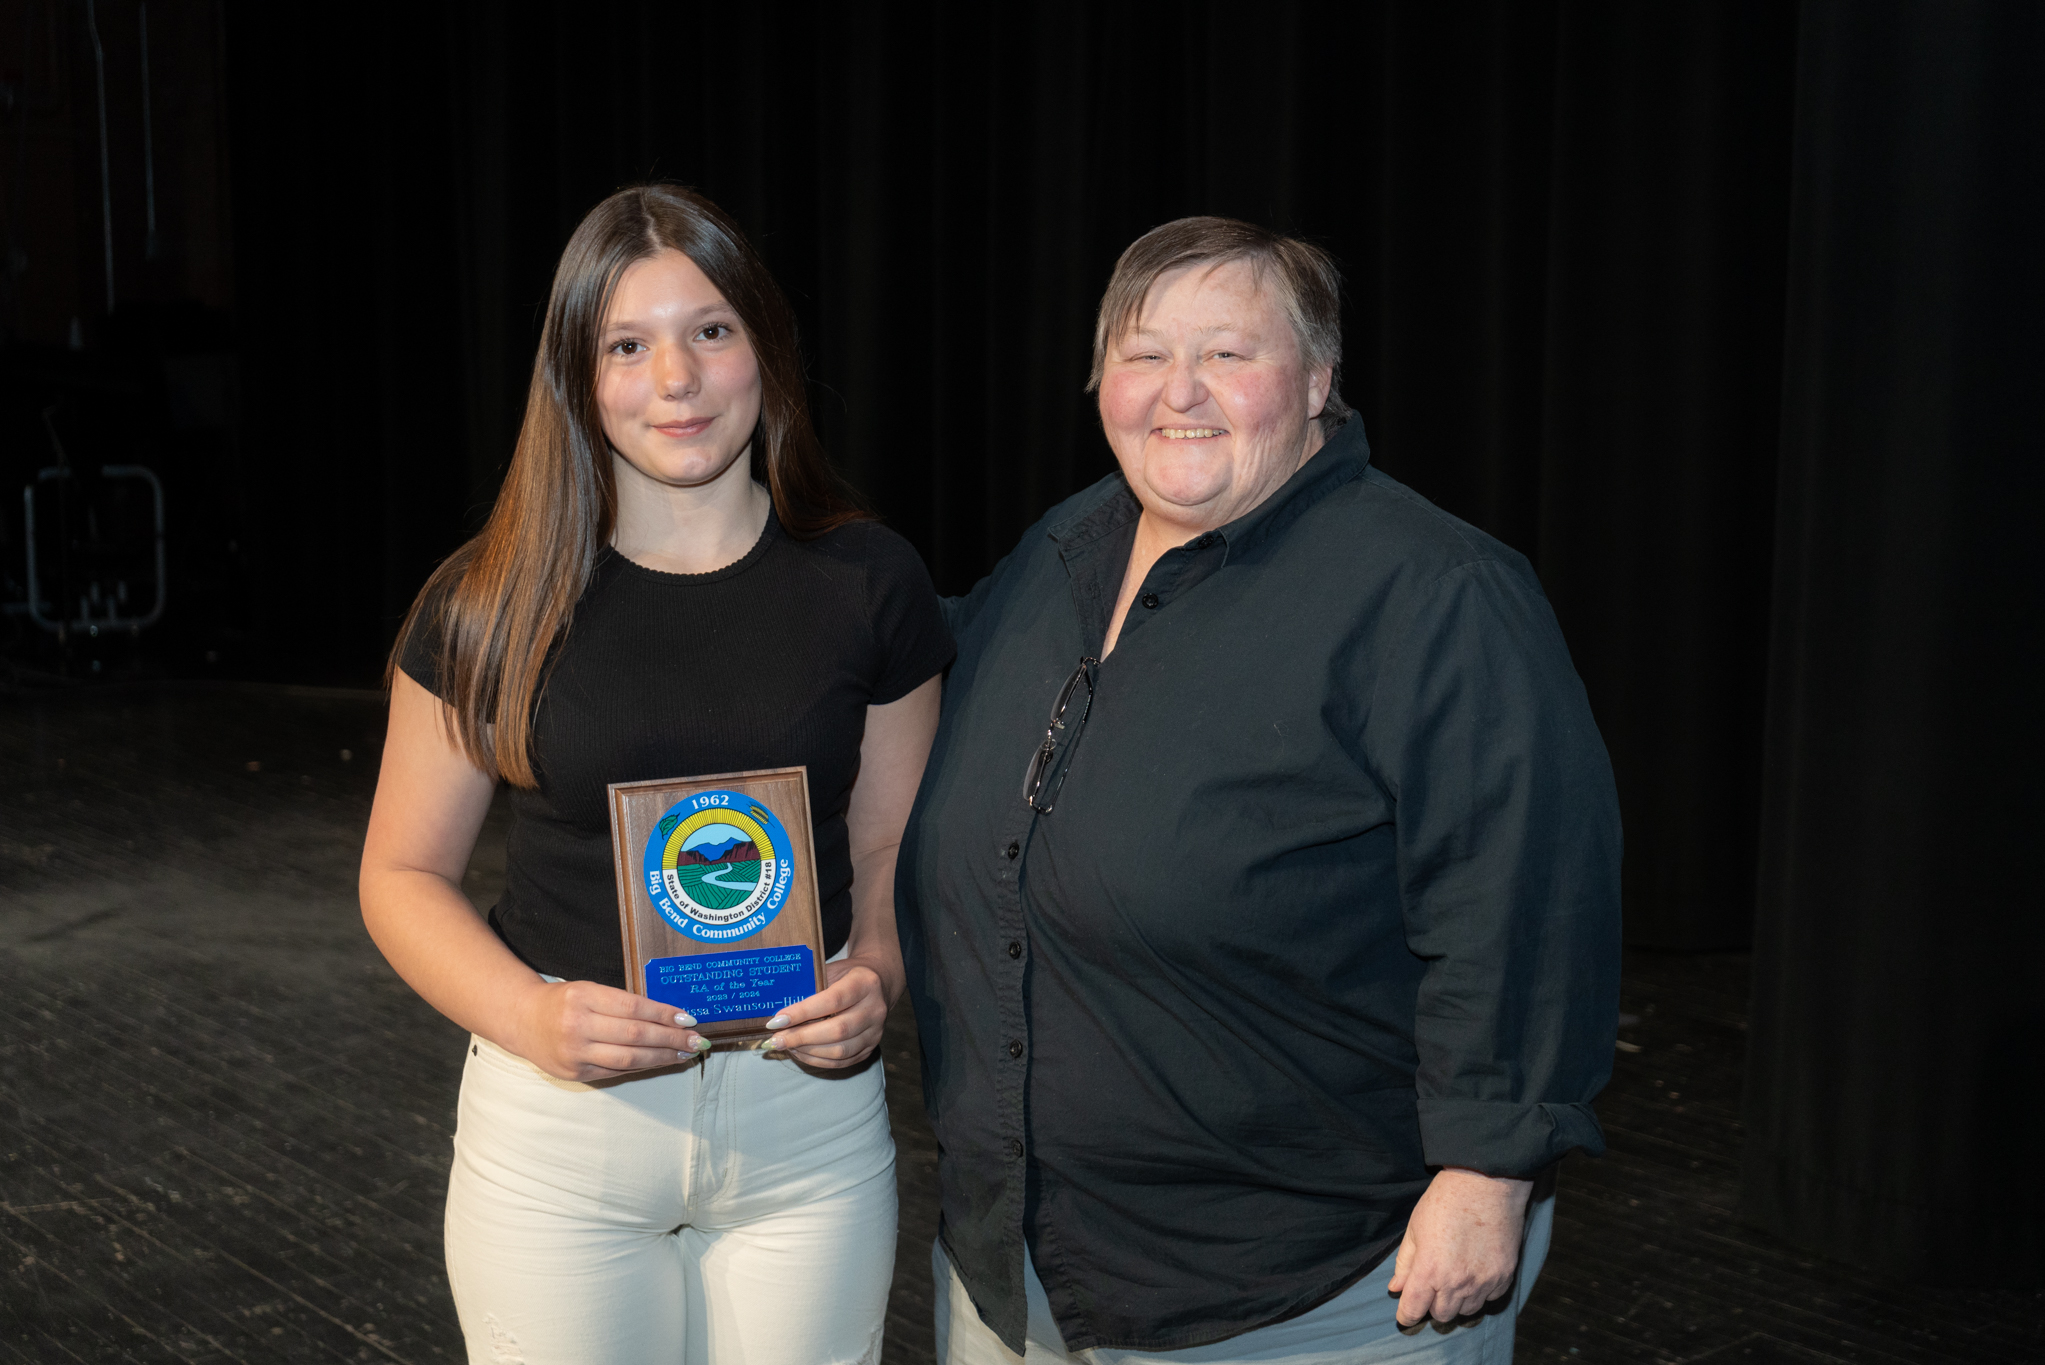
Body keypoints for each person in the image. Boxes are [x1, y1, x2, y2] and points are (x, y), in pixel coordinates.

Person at [897, 216, 1622, 1363]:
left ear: (1319, 378)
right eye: (1141, 355)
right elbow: (906, 691)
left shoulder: (1437, 597)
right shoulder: (1061, 551)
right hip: (1020, 1266)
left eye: (1228, 353)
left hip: (1306, 1289)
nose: (1178, 390)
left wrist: (1486, 1174)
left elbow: (1523, 900)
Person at [359, 184, 952, 1365]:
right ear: (576, 377)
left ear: (765, 351)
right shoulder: (489, 601)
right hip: (561, 1135)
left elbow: (889, 847)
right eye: (626, 346)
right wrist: (530, 1016)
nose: (674, 380)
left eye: (710, 331)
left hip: (808, 1128)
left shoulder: (870, 583)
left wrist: (876, 974)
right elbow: (401, 873)